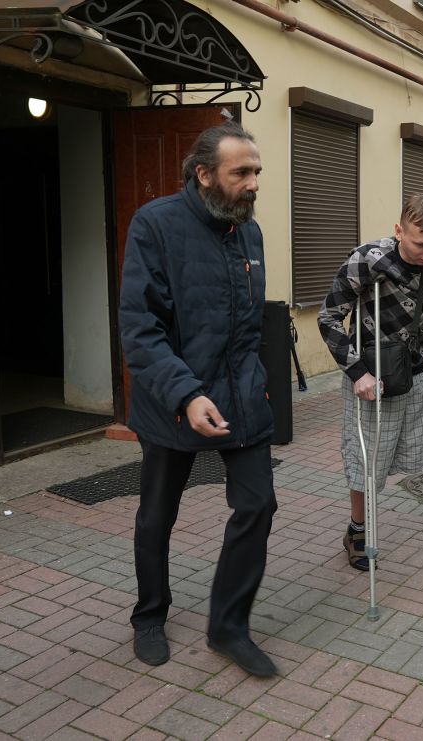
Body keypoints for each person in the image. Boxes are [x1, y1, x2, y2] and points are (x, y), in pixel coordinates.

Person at [119, 122, 278, 677]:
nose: (254, 182)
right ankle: (148, 616)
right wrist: (187, 394)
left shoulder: (248, 232)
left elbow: (249, 325)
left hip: (241, 397)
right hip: (173, 400)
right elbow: (141, 329)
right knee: (157, 515)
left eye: (256, 171)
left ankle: (228, 627)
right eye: (242, 172)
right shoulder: (156, 225)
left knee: (257, 504)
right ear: (204, 174)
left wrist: (257, 384)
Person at [318, 195, 423, 570]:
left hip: (414, 372)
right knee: (366, 460)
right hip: (373, 376)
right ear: (399, 230)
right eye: (420, 243)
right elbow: (329, 318)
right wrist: (357, 372)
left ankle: (361, 524)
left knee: (412, 455)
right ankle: (358, 531)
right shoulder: (367, 260)